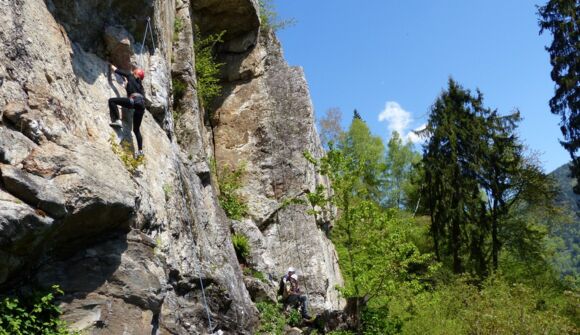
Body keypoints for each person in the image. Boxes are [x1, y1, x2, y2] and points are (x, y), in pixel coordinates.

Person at [108, 64, 146, 157]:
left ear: (136, 74)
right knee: (136, 130)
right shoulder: (141, 87)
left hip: (133, 101)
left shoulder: (130, 76)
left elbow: (117, 70)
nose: (133, 72)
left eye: (135, 72)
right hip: (141, 106)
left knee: (112, 101)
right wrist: (127, 85)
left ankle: (117, 120)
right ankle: (140, 151)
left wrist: (110, 65)